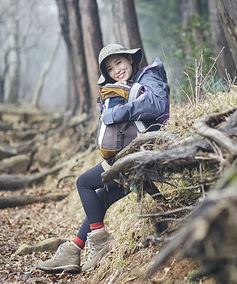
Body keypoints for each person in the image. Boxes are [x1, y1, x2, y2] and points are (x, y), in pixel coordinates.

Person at [35, 44, 170, 273]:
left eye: (119, 62)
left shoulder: (150, 75)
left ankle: (99, 240)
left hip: (146, 155)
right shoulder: (126, 86)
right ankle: (73, 249)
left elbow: (157, 104)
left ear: (129, 59)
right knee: (101, 198)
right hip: (134, 154)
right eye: (110, 68)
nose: (116, 70)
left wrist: (116, 113)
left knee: (84, 183)